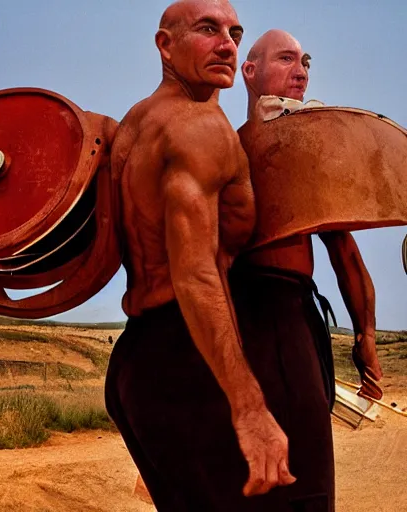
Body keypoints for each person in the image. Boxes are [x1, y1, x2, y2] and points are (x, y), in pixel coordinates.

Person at [105, 2, 298, 510]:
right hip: (188, 359)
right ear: (164, 45)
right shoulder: (200, 126)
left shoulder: (132, 126)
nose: (228, 45)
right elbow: (194, 274)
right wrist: (249, 407)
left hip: (133, 364)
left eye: (234, 33)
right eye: (208, 30)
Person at [225, 29, 385, 511]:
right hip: (241, 317)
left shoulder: (309, 150)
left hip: (294, 317)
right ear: (249, 72)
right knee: (241, 465)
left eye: (306, 62)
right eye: (286, 59)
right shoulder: (224, 150)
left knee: (304, 463)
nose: (302, 71)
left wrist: (367, 336)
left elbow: (344, 252)